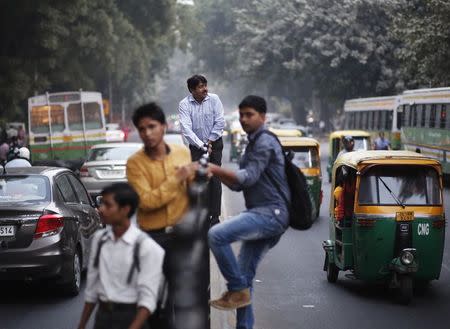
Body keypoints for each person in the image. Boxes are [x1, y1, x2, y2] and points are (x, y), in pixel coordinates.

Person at [207, 95, 290, 329]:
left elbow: (247, 177)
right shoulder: (252, 142)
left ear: (262, 117)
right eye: (241, 114)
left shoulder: (264, 142)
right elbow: (237, 184)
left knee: (216, 235)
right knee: (244, 278)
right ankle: (243, 320)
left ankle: (235, 289)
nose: (244, 119)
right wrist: (214, 172)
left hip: (270, 214)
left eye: (249, 114)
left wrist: (213, 168)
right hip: (266, 213)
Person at [126, 102, 196, 328]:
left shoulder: (182, 153)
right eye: (142, 129)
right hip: (152, 239)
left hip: (182, 237)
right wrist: (176, 179)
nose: (147, 133)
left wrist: (199, 178)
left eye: (152, 126)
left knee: (183, 299)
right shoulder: (135, 164)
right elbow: (146, 202)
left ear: (164, 126)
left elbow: (193, 191)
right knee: (153, 301)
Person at [77, 183, 165, 329]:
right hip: (102, 317)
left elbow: (148, 300)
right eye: (101, 203)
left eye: (108, 205)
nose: (101, 209)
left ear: (125, 210)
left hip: (131, 317)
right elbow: (92, 291)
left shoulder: (148, 248)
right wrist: (81, 325)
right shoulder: (99, 240)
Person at [178, 74, 225, 226]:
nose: (205, 89)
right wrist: (202, 145)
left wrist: (210, 141)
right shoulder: (184, 104)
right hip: (197, 147)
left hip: (215, 144)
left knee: (215, 179)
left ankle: (215, 215)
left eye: (205, 85)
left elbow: (220, 122)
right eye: (200, 86)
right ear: (192, 90)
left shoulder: (214, 99)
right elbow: (186, 129)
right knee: (199, 180)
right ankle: (201, 213)